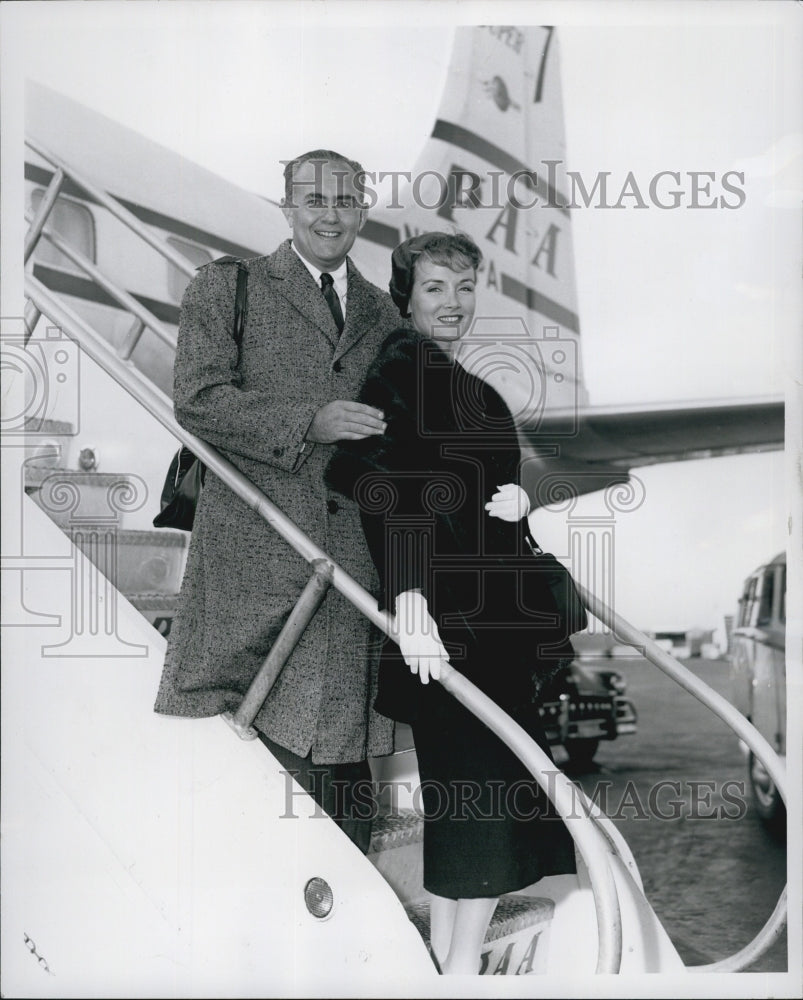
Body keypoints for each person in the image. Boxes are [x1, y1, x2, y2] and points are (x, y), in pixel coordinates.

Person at [326, 232, 578, 974]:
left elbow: (462, 481)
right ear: (406, 294)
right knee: (472, 803)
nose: (453, 304)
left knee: (484, 801)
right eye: (435, 287)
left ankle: (450, 965)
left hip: (487, 617)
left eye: (465, 288)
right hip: (442, 620)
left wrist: (514, 502)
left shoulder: (466, 382)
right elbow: (371, 482)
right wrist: (407, 598)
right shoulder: (399, 370)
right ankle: (459, 971)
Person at [154, 149, 402, 854]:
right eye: (313, 198)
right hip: (256, 560)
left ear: (363, 209)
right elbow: (197, 399)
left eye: (346, 198)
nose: (330, 213)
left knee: (340, 772)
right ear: (286, 207)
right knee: (258, 765)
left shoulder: (384, 315)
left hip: (350, 565)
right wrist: (308, 422)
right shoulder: (227, 288)